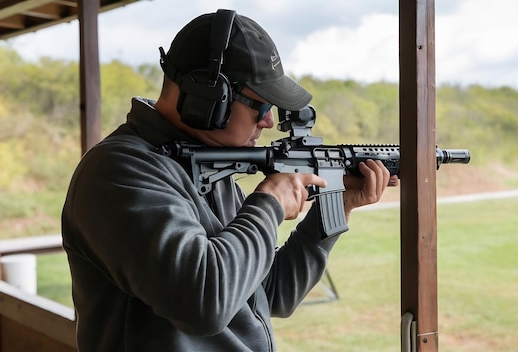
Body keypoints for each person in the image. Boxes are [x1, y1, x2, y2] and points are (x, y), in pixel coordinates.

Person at [62, 9, 398, 351]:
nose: (268, 122)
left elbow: (271, 294)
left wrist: (336, 209)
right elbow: (204, 302)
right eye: (260, 105)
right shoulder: (118, 171)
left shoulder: (208, 169)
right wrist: (268, 204)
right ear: (207, 98)